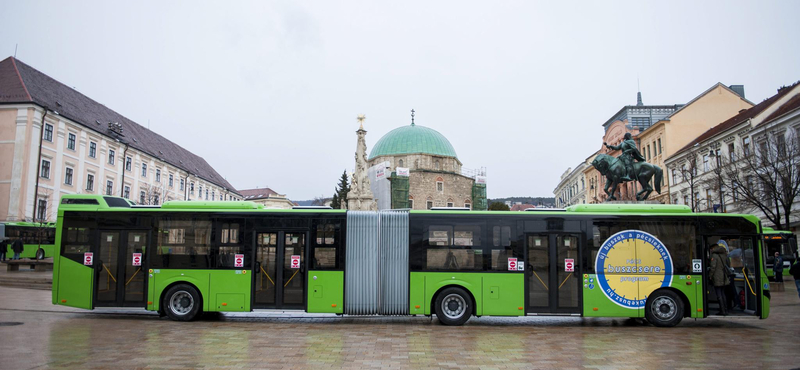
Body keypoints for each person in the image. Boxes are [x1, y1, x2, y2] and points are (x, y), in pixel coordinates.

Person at [709, 243, 731, 315]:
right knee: (723, 293)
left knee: (719, 294)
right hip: (724, 276)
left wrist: (710, 276)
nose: (711, 250)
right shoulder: (724, 254)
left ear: (714, 248)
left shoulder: (714, 256)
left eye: (711, 249)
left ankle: (722, 311)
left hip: (717, 276)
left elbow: (713, 267)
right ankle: (725, 309)